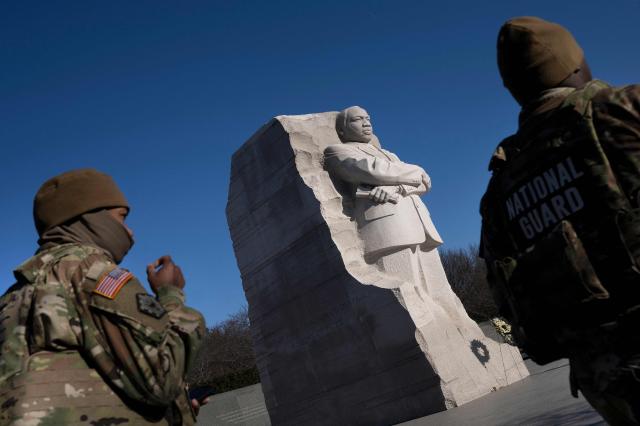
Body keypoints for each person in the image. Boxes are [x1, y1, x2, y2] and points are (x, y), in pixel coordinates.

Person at [480, 16, 640, 424]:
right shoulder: (619, 110)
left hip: (607, 377)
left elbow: (506, 291)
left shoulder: (501, 186)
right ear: (575, 66)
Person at [0, 169, 206, 425]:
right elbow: (161, 379)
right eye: (122, 217)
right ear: (89, 217)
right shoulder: (92, 273)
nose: (130, 232)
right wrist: (171, 295)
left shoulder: (12, 297)